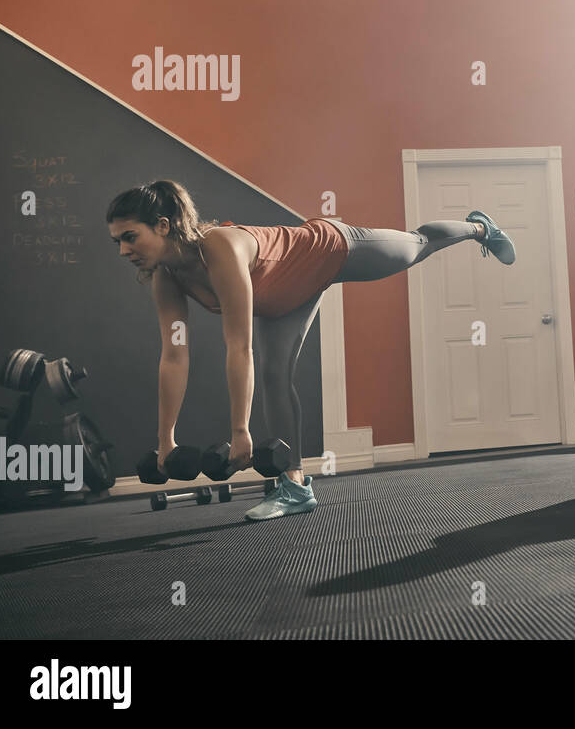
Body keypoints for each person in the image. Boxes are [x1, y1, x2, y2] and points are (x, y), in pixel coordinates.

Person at [106, 180, 516, 520]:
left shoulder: (219, 249)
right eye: (117, 242)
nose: (123, 251)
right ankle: (295, 486)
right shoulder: (165, 277)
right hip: (283, 301)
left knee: (416, 244)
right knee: (274, 375)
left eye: (130, 237)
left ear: (162, 225)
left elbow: (239, 344)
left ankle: (479, 229)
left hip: (329, 250)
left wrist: (239, 431)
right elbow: (175, 356)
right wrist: (166, 441)